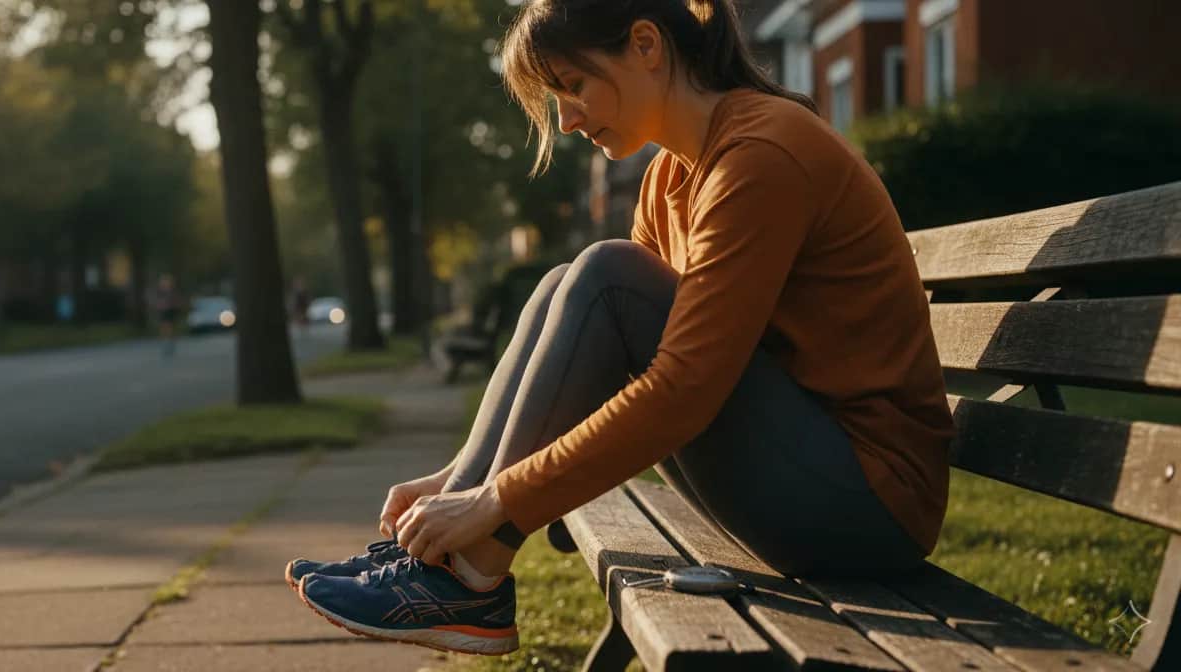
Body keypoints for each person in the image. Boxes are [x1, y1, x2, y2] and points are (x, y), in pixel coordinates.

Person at [286, 0, 955, 657]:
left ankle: (471, 574)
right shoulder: (671, 178)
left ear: (645, 44)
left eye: (573, 87)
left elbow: (685, 387)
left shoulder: (762, 152)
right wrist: (455, 481)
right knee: (570, 282)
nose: (568, 120)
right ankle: (455, 567)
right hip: (806, 478)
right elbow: (611, 361)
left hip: (869, 506)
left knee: (606, 276)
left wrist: (497, 501)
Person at [149, 273, 184, 357]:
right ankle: (166, 343)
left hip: (170, 311)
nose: (165, 284)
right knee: (164, 327)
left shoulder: (172, 292)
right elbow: (155, 302)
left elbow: (177, 301)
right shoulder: (159, 292)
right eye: (163, 282)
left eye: (166, 282)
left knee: (170, 327)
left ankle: (170, 342)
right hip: (163, 312)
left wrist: (173, 304)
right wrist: (159, 305)